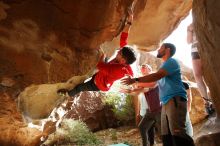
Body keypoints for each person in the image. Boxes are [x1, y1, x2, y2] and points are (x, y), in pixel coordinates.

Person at [121, 43, 195, 146]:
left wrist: (135, 80)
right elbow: (151, 84)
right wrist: (131, 89)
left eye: (161, 48)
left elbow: (156, 76)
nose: (158, 49)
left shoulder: (171, 62)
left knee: (178, 133)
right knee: (166, 135)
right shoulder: (163, 67)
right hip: (165, 103)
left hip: (174, 99)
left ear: (167, 50)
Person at [58, 10, 136, 97]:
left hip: (99, 84)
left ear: (122, 60)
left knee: (80, 88)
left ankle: (68, 94)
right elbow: (124, 39)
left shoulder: (118, 71)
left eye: (120, 53)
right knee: (102, 63)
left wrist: (102, 55)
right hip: (102, 74)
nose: (118, 51)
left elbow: (100, 66)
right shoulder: (124, 60)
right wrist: (129, 22)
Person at [121, 64, 161, 146]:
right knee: (142, 127)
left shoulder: (154, 77)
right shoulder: (143, 81)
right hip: (149, 111)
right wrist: (130, 90)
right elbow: (141, 90)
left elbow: (149, 86)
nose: (142, 68)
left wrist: (134, 82)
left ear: (150, 69)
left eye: (145, 67)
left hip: (159, 110)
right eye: (141, 67)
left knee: (163, 131)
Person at [187, 23, 215, 116]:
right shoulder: (191, 25)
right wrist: (189, 30)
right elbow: (188, 41)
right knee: (197, 76)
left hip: (207, 47)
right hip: (195, 50)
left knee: (212, 74)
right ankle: (207, 103)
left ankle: (213, 100)